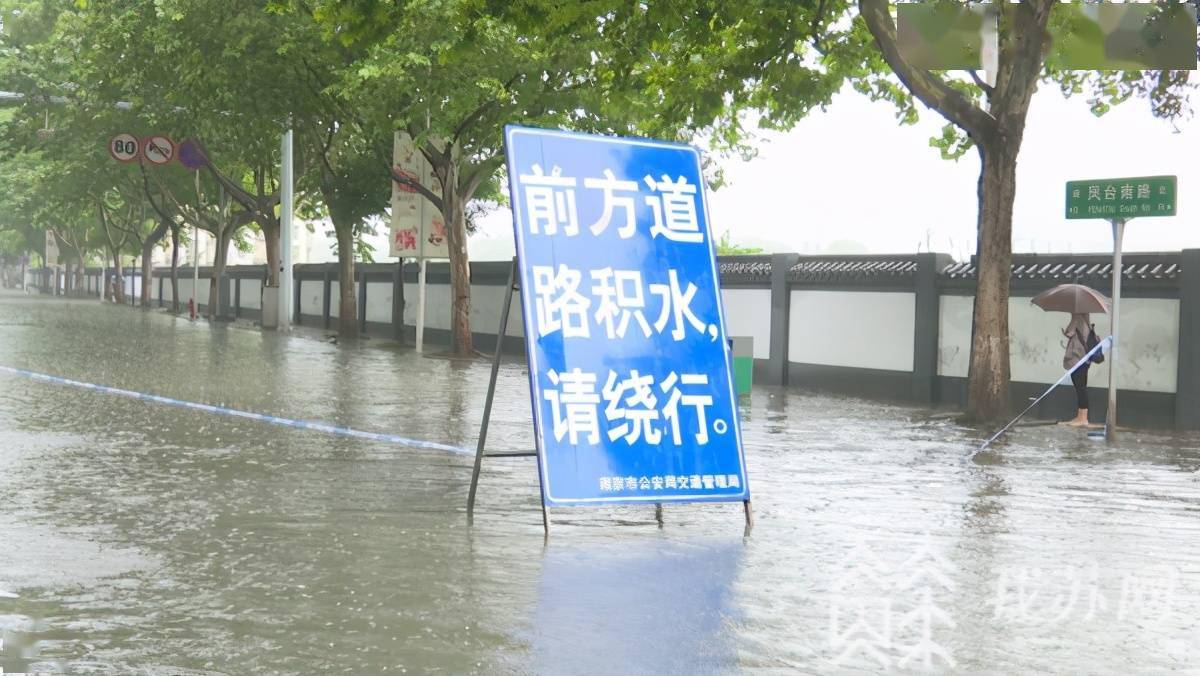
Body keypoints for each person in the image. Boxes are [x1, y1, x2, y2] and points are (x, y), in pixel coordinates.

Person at [1060, 312, 1092, 427]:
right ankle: (1081, 417)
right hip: (1085, 359)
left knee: (1080, 387)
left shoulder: (1077, 317)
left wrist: (1066, 331)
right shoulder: (1086, 319)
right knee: (1081, 386)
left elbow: (1070, 332)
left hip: (1078, 359)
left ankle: (1083, 418)